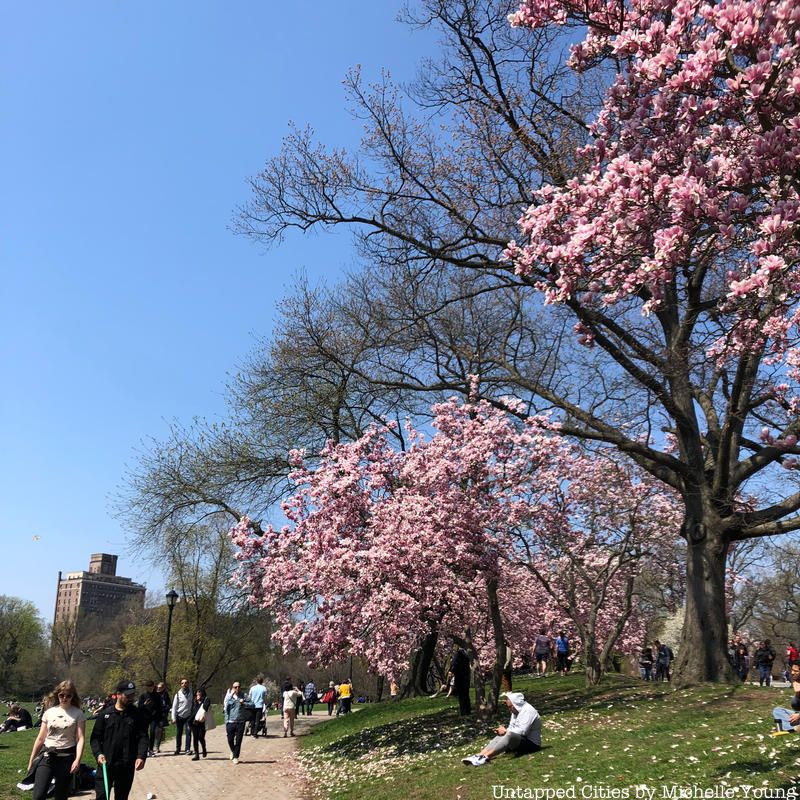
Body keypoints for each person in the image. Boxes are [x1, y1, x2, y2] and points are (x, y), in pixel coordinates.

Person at [26, 680, 85, 800]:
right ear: (57, 695)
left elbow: (80, 738)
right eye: (61, 695)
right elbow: (41, 738)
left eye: (68, 696)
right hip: (47, 756)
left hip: (66, 758)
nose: (64, 698)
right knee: (38, 795)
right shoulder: (49, 712)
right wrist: (32, 759)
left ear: (73, 696)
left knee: (61, 796)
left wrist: (77, 760)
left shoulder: (78, 714)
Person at [90, 680, 148, 800]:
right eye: (128, 695)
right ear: (118, 694)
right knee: (101, 797)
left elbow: (143, 737)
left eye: (133, 695)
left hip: (126, 766)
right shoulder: (106, 715)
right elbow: (95, 738)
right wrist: (98, 754)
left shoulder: (137, 715)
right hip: (106, 765)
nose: (131, 698)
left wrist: (141, 756)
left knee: (121, 797)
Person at [462, 691, 541, 766]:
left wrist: (506, 731)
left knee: (508, 734)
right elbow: (512, 727)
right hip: (520, 740)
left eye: (510, 707)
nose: (509, 709)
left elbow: (522, 731)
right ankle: (480, 754)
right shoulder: (516, 711)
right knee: (502, 735)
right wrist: (503, 732)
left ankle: (485, 757)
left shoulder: (528, 711)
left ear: (516, 705)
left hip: (532, 745)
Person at [772, 663, 800, 734]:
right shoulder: (796, 682)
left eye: (796, 671)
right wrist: (797, 694)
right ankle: (794, 728)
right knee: (777, 710)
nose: (792, 673)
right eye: (792, 670)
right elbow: (795, 707)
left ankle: (791, 728)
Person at [224, 680, 247, 764]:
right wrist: (231, 695)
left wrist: (244, 703)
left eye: (238, 687)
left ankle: (236, 756)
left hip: (240, 721)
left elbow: (252, 704)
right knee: (230, 739)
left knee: (238, 740)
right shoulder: (229, 696)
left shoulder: (244, 696)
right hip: (230, 721)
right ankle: (233, 750)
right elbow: (226, 706)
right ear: (232, 688)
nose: (237, 688)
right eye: (235, 687)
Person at [171, 677, 193, 755]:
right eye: (182, 683)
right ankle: (178, 749)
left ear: (188, 684)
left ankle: (187, 749)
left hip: (188, 716)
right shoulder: (178, 694)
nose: (184, 684)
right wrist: (173, 717)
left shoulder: (192, 693)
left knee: (188, 732)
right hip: (179, 716)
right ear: (181, 685)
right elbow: (174, 707)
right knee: (179, 733)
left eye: (186, 683)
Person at [137, 681, 159, 758]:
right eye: (149, 687)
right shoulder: (143, 696)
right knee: (145, 734)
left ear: (153, 687)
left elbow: (159, 707)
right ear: (146, 688)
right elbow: (139, 707)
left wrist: (158, 715)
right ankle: (145, 750)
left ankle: (151, 750)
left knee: (152, 732)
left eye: (152, 687)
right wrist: (144, 704)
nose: (150, 689)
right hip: (145, 717)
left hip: (153, 717)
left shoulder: (157, 695)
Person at [451, 640, 472, 716]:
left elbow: (455, 664)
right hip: (466, 676)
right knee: (466, 694)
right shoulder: (467, 654)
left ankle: (463, 711)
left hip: (460, 676)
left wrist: (452, 671)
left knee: (461, 695)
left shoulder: (459, 653)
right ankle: (468, 710)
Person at [190, 688, 211, 760]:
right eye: (197, 694)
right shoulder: (194, 702)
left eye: (199, 694)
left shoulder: (206, 700)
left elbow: (205, 708)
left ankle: (204, 749)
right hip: (194, 722)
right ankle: (197, 754)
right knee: (195, 738)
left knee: (201, 737)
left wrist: (201, 701)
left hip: (202, 722)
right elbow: (192, 713)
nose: (198, 696)